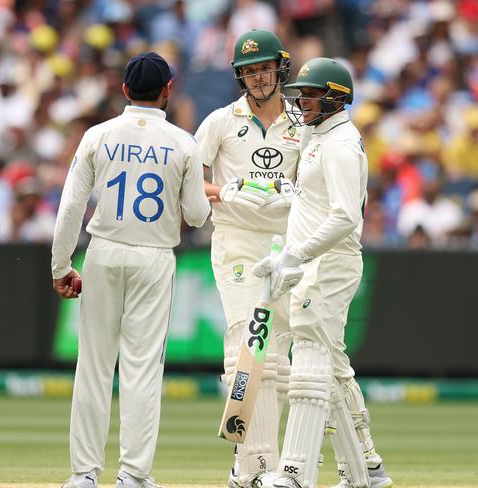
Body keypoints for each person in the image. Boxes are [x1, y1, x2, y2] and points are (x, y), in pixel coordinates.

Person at [51, 52, 210, 488]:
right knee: (141, 368)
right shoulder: (183, 142)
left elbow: (70, 207)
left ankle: (84, 474)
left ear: (124, 90)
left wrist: (60, 265)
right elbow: (196, 215)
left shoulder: (98, 135)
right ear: (167, 92)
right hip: (154, 257)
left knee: (94, 366)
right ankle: (134, 475)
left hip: (102, 251)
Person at [253, 58, 393, 488]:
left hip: (328, 264)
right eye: (302, 94)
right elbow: (314, 202)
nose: (303, 102)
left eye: (311, 95)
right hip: (314, 262)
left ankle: (296, 472)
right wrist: (281, 202)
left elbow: (345, 217)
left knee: (310, 364)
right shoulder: (320, 137)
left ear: (336, 97)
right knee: (330, 367)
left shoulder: (340, 144)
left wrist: (297, 255)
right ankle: (364, 471)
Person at [194, 30, 307, 488]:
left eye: (263, 68)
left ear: (279, 68)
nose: (258, 77)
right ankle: (257, 466)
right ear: (240, 76)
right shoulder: (221, 121)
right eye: (249, 70)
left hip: (288, 247)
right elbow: (186, 181)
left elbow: (322, 186)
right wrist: (224, 190)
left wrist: (298, 193)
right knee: (246, 343)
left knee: (276, 361)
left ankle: (250, 470)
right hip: (237, 242)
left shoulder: (303, 123)